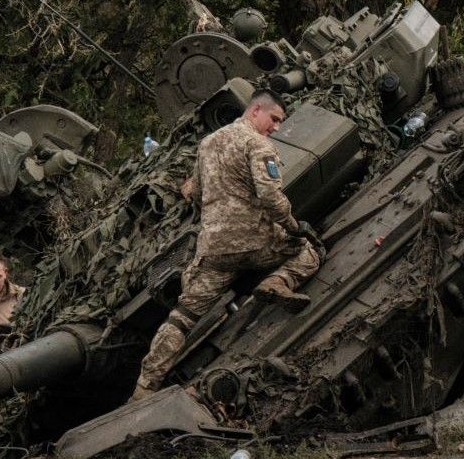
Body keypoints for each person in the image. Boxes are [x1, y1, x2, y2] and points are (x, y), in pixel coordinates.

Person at [130, 90, 321, 401]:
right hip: (257, 241)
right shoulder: (258, 144)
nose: (275, 127)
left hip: (214, 249)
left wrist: (186, 188)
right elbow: (271, 197)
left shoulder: (208, 144)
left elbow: (196, 194)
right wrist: (294, 227)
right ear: (255, 110)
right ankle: (277, 282)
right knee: (310, 251)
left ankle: (143, 388)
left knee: (182, 317)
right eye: (274, 119)